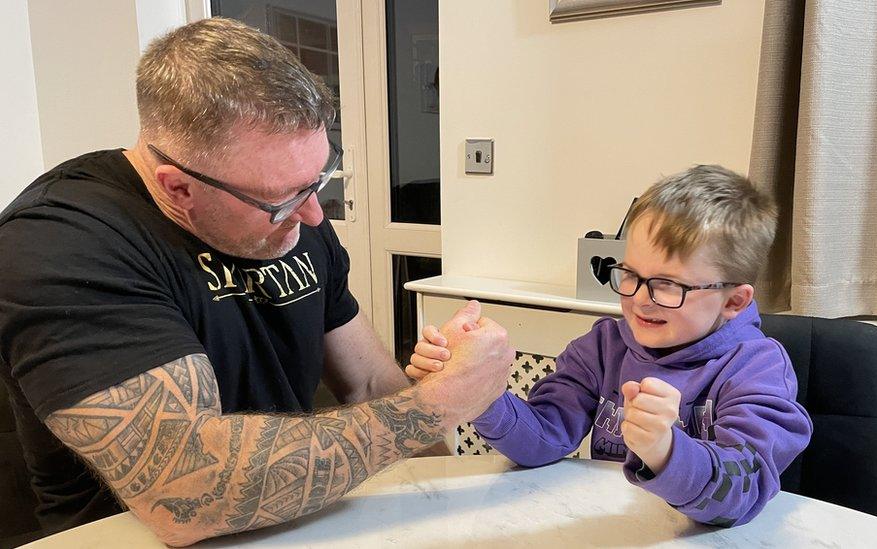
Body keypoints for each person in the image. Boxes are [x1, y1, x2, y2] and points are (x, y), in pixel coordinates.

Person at [0, 18, 513, 547]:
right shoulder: (59, 243)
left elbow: (369, 386)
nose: (314, 215)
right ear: (177, 189)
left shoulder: (294, 216)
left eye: (317, 180)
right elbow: (186, 492)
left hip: (288, 524)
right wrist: (434, 407)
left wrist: (450, 441)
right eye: (285, 198)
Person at [408, 165, 813, 527]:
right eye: (630, 274)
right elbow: (544, 439)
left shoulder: (756, 367)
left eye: (669, 285)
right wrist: (480, 394)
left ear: (733, 301)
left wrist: (666, 450)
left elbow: (742, 493)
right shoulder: (603, 345)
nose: (639, 298)